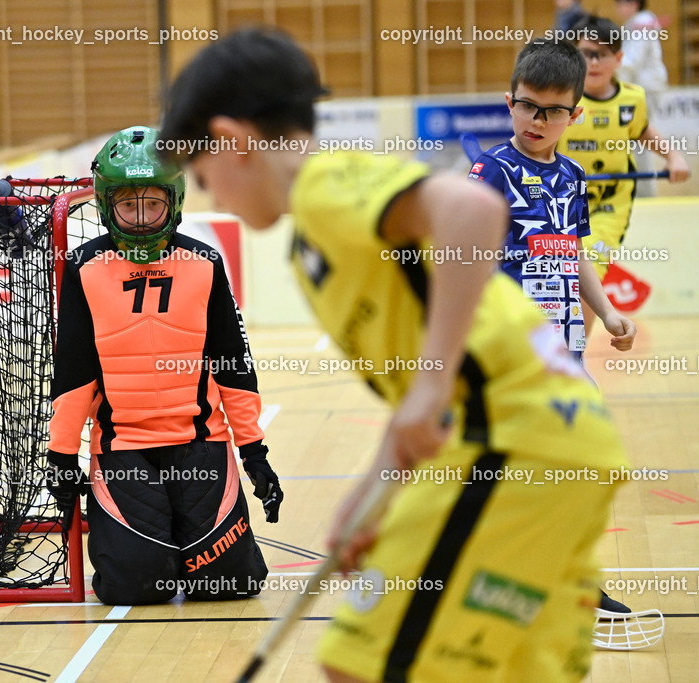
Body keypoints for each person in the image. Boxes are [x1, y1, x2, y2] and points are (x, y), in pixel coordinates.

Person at [160, 27, 631, 683]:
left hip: (511, 438)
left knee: (361, 661)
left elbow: (471, 209)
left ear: (234, 142)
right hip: (558, 439)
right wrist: (369, 493)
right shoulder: (310, 248)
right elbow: (414, 395)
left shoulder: (326, 188)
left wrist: (433, 388)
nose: (212, 197)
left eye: (204, 176)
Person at [44, 125, 283, 606]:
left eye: (151, 205)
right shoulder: (83, 268)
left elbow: (234, 368)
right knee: (136, 588)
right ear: (108, 205)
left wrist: (255, 454)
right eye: (127, 206)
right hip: (122, 449)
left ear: (172, 203)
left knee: (229, 586)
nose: (139, 219)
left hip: (201, 445)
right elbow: (73, 374)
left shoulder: (205, 263)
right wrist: (62, 457)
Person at [468, 39, 638, 357]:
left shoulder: (574, 174)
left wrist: (608, 313)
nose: (538, 120)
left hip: (565, 331)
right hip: (511, 334)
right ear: (510, 102)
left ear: (575, 115)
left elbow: (575, 251)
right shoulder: (492, 169)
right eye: (528, 105)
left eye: (554, 111)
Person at [556, 14, 690, 332]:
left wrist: (673, 157)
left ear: (618, 58)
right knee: (554, 280)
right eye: (584, 53)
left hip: (608, 206)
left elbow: (642, 131)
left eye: (601, 54)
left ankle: (575, 358)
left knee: (584, 271)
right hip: (561, 204)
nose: (593, 62)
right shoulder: (561, 98)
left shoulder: (633, 98)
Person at [613, 0, 668, 96]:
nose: (617, 8)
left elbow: (633, 60)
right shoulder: (634, 24)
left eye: (620, 4)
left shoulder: (641, 25)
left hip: (648, 86)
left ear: (635, 4)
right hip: (644, 84)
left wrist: (611, 65)